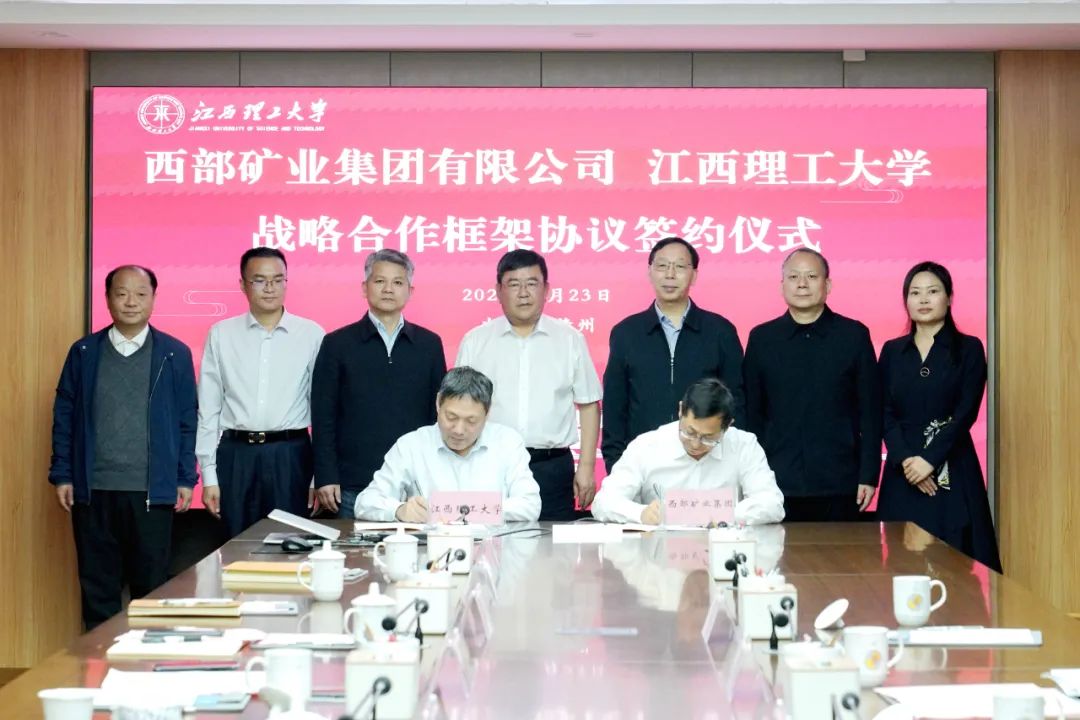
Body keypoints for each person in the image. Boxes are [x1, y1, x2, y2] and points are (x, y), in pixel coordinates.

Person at [49, 265, 197, 630]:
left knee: (151, 590)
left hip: (151, 492)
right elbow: (64, 414)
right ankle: (99, 661)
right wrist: (63, 473)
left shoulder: (174, 353)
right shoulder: (84, 352)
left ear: (153, 298)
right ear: (107, 298)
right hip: (93, 490)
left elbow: (187, 420)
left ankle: (148, 659)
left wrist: (184, 478)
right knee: (98, 590)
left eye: (141, 294)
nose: (131, 302)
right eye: (121, 293)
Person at [456, 249, 602, 520]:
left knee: (552, 544)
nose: (523, 293)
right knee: (488, 542)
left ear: (547, 290)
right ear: (498, 291)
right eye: (514, 284)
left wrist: (586, 466)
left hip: (552, 467)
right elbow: (456, 408)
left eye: (532, 283)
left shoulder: (570, 339)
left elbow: (589, 404)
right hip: (488, 465)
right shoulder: (475, 341)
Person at [876, 262, 1002, 572]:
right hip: (903, 471)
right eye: (915, 293)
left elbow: (965, 413)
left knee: (955, 566)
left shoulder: (969, 349)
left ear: (949, 297)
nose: (923, 299)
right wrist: (908, 461)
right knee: (902, 566)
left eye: (932, 291)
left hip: (952, 467)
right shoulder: (892, 351)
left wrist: (929, 460)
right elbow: (883, 410)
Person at [743, 248, 881, 522]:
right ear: (782, 286)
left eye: (811, 276)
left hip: (840, 481)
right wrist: (749, 477)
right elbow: (752, 415)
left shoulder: (853, 335)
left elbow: (871, 412)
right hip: (776, 481)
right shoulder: (762, 339)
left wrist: (868, 475)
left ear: (827, 285)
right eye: (794, 277)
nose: (802, 284)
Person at [196, 248, 325, 538]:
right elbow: (208, 409)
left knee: (291, 546)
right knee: (236, 546)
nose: (270, 288)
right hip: (236, 456)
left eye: (278, 280)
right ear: (243, 284)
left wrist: (317, 475)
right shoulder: (221, 333)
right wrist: (209, 475)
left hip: (291, 455)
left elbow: (321, 411)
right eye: (259, 280)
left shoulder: (311, 334)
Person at [311, 249, 446, 518]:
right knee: (353, 547)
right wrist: (325, 475)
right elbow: (323, 415)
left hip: (414, 483)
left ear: (410, 291)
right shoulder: (337, 344)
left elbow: (438, 414)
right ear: (365, 287)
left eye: (398, 282)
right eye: (380, 281)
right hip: (352, 483)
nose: (388, 289)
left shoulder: (429, 344)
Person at [602, 237, 745, 472]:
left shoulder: (720, 331)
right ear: (649, 272)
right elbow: (615, 406)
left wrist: (732, 464)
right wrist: (615, 465)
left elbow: (736, 401)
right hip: (643, 463)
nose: (670, 274)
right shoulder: (626, 333)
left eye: (679, 266)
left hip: (708, 462)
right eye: (662, 266)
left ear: (694, 275)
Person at [354, 367, 541, 522]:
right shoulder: (411, 445)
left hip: (493, 550)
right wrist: (399, 510)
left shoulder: (508, 442)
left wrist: (458, 509)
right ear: (438, 403)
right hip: (430, 551)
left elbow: (530, 505)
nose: (459, 430)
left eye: (471, 421)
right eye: (451, 417)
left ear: (488, 412)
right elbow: (365, 502)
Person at [592, 378, 784, 525]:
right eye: (689, 432)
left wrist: (720, 514)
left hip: (724, 554)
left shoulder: (744, 446)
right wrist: (640, 514)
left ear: (727, 427)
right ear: (680, 410)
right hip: (659, 558)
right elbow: (603, 502)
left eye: (708, 438)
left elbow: (772, 504)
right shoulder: (646, 446)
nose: (696, 444)